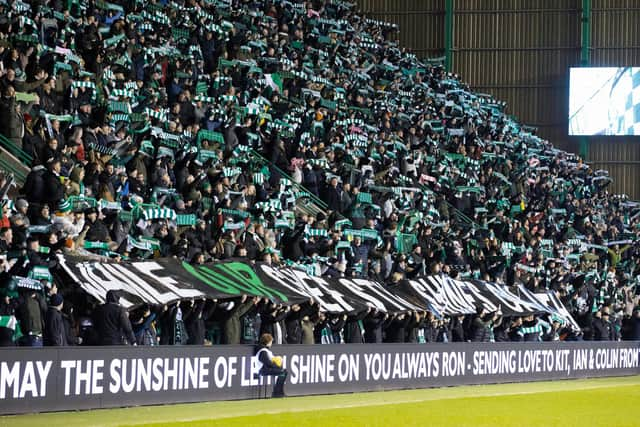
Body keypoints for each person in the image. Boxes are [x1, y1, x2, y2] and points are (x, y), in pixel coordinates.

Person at [255, 333, 287, 398]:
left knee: (283, 372)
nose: (271, 343)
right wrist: (276, 366)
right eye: (271, 341)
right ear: (268, 342)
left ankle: (278, 391)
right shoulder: (263, 351)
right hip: (263, 370)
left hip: (266, 369)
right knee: (282, 372)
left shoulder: (265, 350)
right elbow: (267, 363)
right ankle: (277, 392)